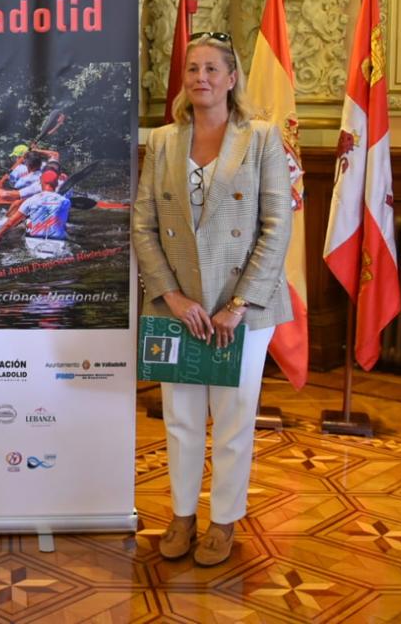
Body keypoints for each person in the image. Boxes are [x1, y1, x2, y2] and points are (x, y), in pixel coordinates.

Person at [132, 32, 291, 567]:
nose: (200, 77)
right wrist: (172, 296)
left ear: (231, 77)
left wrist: (238, 304)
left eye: (211, 69)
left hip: (243, 310)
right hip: (179, 308)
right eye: (193, 69)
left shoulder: (263, 138)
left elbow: (276, 226)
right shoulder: (162, 141)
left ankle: (222, 522)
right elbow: (143, 224)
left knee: (233, 417)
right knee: (178, 417)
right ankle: (181, 517)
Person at [0, 169, 71, 241]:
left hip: (34, 240)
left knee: (28, 220)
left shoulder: (31, 200)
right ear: (56, 184)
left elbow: (10, 223)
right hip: (57, 240)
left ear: (40, 182)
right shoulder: (65, 202)